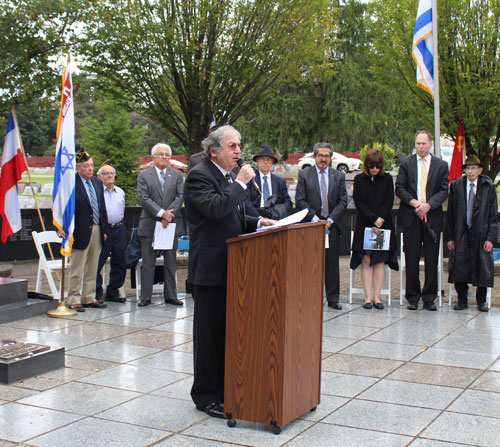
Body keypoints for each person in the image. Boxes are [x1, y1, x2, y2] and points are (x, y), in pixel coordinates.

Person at [184, 125, 275, 418]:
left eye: (239, 145)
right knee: (208, 336)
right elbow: (215, 210)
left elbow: (233, 216)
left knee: (227, 334)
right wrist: (240, 183)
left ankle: (225, 390)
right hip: (210, 270)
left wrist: (258, 222)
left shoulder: (225, 176)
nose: (238, 151)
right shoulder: (199, 176)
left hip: (234, 268)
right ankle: (206, 396)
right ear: (214, 150)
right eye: (232, 146)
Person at [395, 130, 449, 311]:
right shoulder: (405, 163)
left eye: (423, 144)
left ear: (431, 144)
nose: (420, 147)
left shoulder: (441, 165)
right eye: (417, 143)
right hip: (411, 217)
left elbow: (443, 190)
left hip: (432, 218)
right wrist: (416, 203)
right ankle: (412, 297)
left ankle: (429, 298)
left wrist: (428, 205)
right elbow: (400, 188)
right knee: (411, 259)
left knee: (432, 261)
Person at [295, 142, 347, 310]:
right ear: (315, 156)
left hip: (331, 225)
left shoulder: (338, 176)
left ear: (331, 158)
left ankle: (333, 299)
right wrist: (316, 219)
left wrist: (330, 220)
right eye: (321, 155)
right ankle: (310, 297)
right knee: (311, 264)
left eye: (327, 156)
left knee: (332, 264)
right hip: (311, 225)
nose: (324, 159)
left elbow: (343, 201)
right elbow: (300, 200)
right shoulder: (304, 174)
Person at [57, 150, 109, 312]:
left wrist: (104, 228)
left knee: (93, 266)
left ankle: (89, 296)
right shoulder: (71, 183)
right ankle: (73, 298)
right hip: (79, 230)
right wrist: (60, 226)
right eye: (86, 166)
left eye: (92, 166)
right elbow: (62, 205)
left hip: (97, 228)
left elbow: (102, 206)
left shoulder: (97, 183)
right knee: (77, 266)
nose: (90, 169)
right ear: (78, 168)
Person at [446, 155, 498, 312]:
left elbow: (493, 215)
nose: (470, 171)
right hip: (461, 232)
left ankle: (481, 301)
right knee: (459, 266)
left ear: (480, 170)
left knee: (482, 266)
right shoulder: (456, 186)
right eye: (467, 168)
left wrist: (490, 238)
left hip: (481, 233)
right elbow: (450, 213)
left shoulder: (488, 187)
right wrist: (450, 237)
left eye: (473, 168)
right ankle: (462, 300)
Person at [137, 143, 184, 307]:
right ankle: (146, 297)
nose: (164, 157)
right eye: (161, 154)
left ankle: (171, 295)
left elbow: (180, 196)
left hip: (170, 223)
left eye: (167, 155)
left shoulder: (177, 175)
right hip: (150, 223)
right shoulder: (144, 175)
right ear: (153, 157)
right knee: (148, 262)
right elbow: (144, 199)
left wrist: (168, 215)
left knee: (171, 261)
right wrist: (161, 214)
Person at [350, 149, 398, 310]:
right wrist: (372, 219)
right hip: (365, 224)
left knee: (379, 262)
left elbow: (389, 200)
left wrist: (379, 220)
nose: (375, 170)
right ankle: (367, 298)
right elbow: (359, 202)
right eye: (371, 166)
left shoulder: (387, 179)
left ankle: (377, 297)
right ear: (366, 166)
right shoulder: (359, 179)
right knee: (366, 260)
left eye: (378, 166)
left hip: (383, 225)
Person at [95, 162, 127, 303]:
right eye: (106, 173)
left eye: (112, 173)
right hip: (104, 229)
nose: (110, 176)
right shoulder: (97, 192)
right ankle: (96, 293)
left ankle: (113, 291)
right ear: (99, 176)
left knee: (120, 261)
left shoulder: (120, 192)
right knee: (98, 262)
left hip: (119, 228)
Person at [246, 145, 293, 219]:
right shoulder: (250, 180)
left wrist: (278, 212)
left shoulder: (280, 182)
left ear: (272, 162)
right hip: (256, 220)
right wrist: (259, 218)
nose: (265, 162)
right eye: (262, 159)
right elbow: (246, 202)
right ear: (257, 161)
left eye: (269, 159)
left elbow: (288, 202)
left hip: (275, 219)